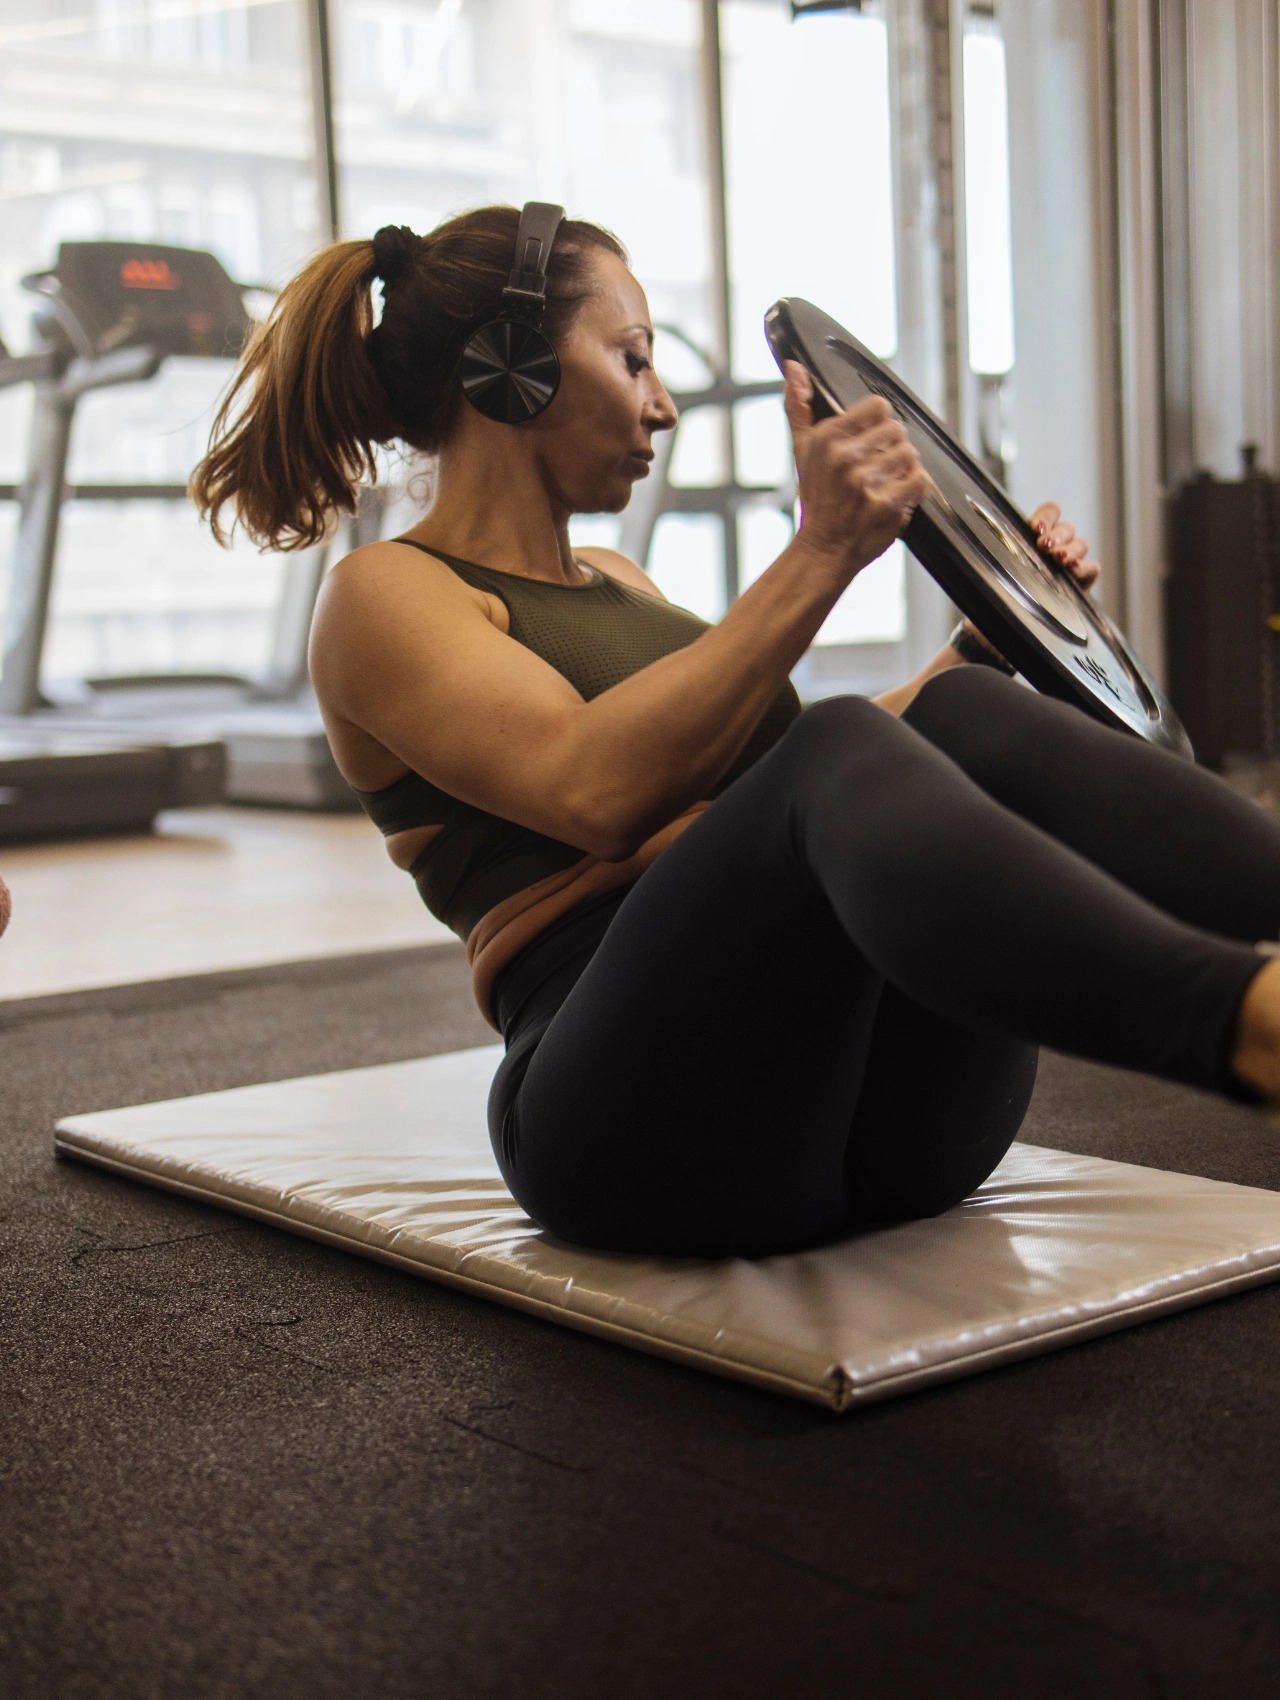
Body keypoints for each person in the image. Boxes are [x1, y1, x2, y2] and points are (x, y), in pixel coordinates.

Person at [193, 205, 1280, 1260]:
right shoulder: (386, 594)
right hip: (639, 1128)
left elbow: (815, 783)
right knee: (842, 745)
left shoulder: (619, 580)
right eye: (630, 359)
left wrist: (986, 637)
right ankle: (1240, 1018)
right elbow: (595, 791)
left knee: (957, 712)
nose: (661, 406)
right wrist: (819, 553)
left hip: (883, 1117)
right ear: (508, 365)